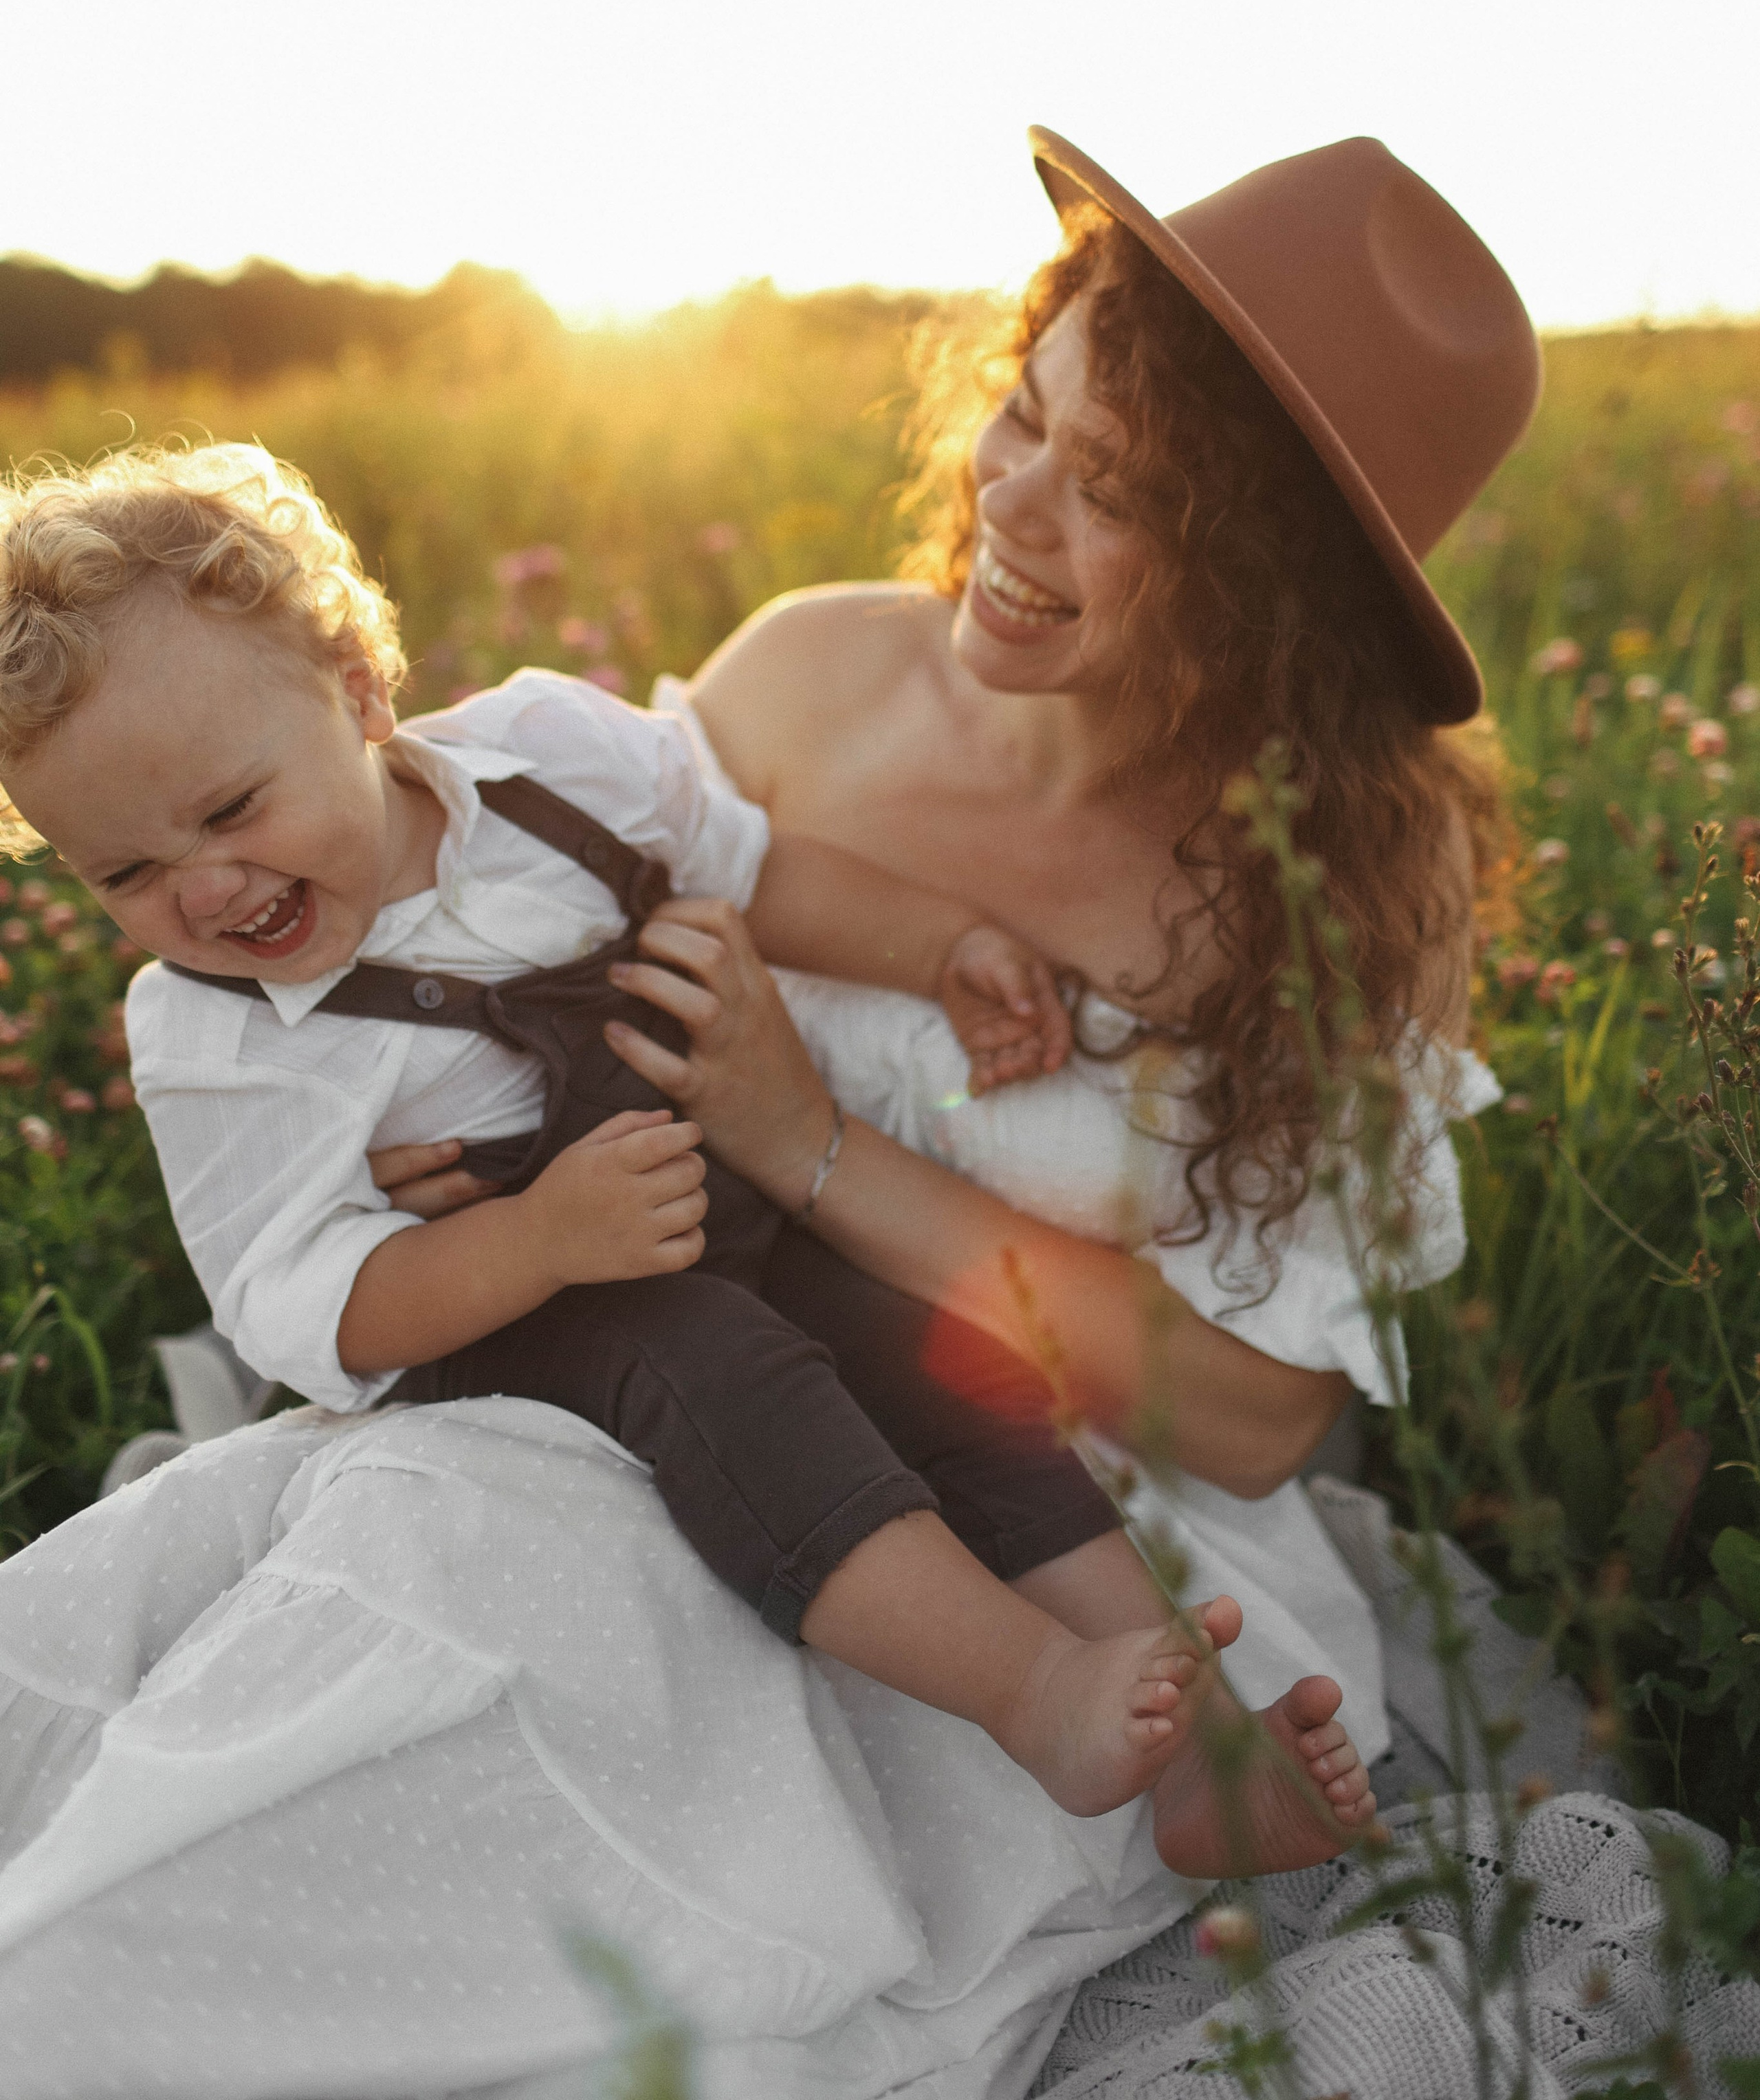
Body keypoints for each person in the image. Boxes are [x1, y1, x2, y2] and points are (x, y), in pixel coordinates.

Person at [0, 129, 1537, 2100]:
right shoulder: (808, 667)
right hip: (592, 1376)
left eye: (1121, 492)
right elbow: (521, 907)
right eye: (1022, 418)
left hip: (1042, 1498)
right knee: (406, 1611)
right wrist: (462, 1169)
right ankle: (80, 1999)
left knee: (581, 1738)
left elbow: (1254, 1414)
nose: (1015, 505)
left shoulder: (1314, 903)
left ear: (1274, 592)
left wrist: (807, 1140)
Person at [0, 441, 1370, 1851]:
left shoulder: (553, 759)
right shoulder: (217, 1037)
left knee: (940, 1350)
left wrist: (939, 947)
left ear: (355, 693)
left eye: (231, 810)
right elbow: (288, 1301)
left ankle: (1199, 1741)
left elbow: (750, 869)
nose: (208, 889)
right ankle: (1030, 1693)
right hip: (531, 1313)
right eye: (127, 873)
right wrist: (530, 1243)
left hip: (720, 1213)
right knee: (713, 1364)